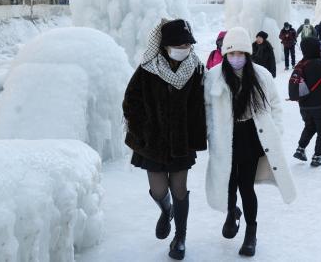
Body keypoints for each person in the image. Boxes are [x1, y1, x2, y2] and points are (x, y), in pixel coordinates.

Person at [204, 27, 296, 257]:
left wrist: (277, 131)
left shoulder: (261, 75)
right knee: (228, 183)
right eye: (231, 53)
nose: (236, 58)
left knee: (245, 186)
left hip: (251, 137)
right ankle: (231, 213)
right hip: (225, 138)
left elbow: (275, 105)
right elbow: (206, 109)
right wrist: (210, 134)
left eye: (240, 53)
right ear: (225, 54)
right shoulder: (214, 76)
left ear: (247, 53)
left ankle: (251, 233)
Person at [123, 19, 207, 260]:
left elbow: (200, 106)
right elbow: (131, 102)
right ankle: (165, 209)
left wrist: (196, 137)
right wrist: (143, 130)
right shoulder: (148, 69)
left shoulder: (196, 69)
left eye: (187, 44)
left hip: (181, 143)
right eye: (179, 45)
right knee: (158, 189)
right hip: (153, 143)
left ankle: (180, 237)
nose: (184, 48)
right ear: (165, 46)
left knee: (179, 189)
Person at [293, 37, 321, 167]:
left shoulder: (301, 64)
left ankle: (300, 149)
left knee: (310, 126)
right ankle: (317, 156)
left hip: (304, 105)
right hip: (320, 105)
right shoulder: (316, 64)